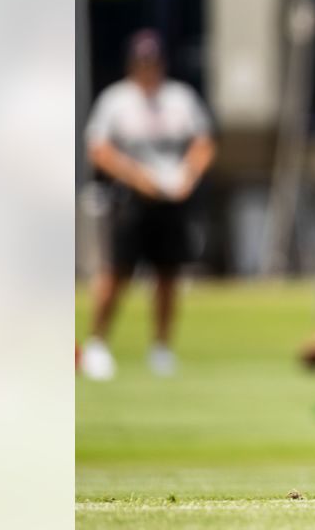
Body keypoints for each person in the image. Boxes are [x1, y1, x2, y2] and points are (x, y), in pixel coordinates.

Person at [80, 29, 216, 380]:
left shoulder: (179, 98)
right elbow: (99, 149)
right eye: (142, 62)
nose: (148, 68)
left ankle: (161, 347)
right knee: (117, 272)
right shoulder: (116, 100)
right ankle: (97, 343)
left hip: (171, 197)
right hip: (132, 199)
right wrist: (136, 176)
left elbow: (203, 141)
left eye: (152, 62)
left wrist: (188, 175)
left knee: (168, 274)